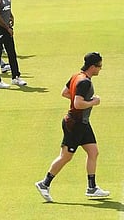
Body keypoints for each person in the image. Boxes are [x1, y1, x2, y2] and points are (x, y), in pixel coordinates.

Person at [35, 52, 110, 202]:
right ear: (92, 66)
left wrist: (82, 99)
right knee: (66, 157)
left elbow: (65, 93)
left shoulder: (76, 76)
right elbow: (77, 103)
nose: (100, 69)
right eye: (99, 66)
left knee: (93, 152)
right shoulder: (85, 82)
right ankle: (44, 183)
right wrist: (92, 102)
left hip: (82, 123)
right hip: (75, 124)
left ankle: (92, 187)